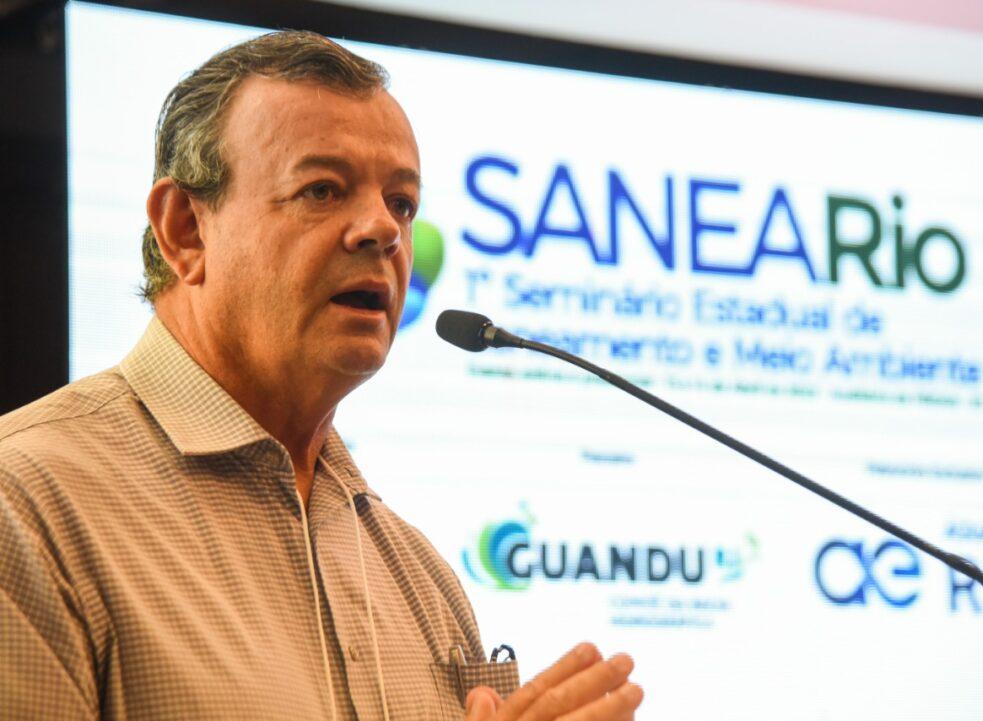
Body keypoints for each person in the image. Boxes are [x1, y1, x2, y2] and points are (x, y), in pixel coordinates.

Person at [0, 30, 643, 721]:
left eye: (402, 202)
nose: (383, 230)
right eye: (322, 190)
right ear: (186, 229)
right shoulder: (28, 507)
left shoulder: (418, 576)